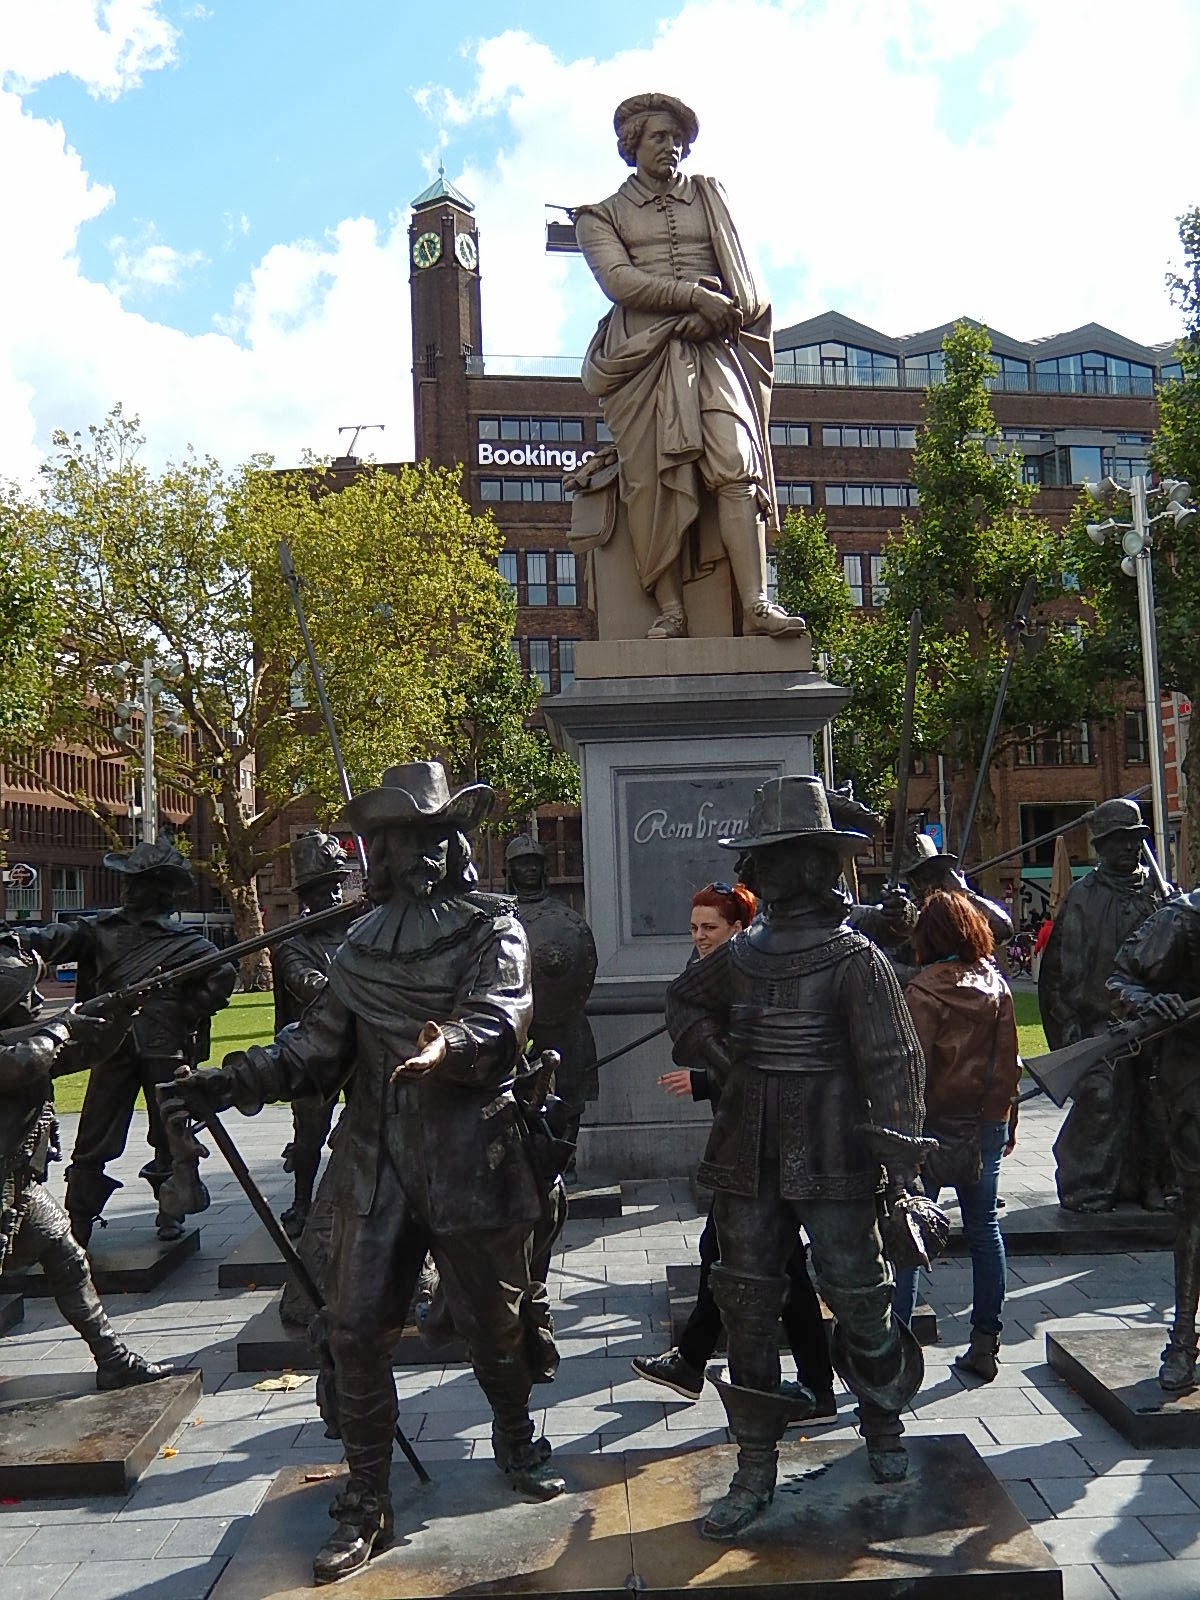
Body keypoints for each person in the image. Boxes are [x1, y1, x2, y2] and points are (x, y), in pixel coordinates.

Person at [165, 761, 560, 1585]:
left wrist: (449, 1045)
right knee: (353, 1331)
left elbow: (504, 1015)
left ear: (450, 845)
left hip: (468, 1153)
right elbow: (315, 1047)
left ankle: (516, 1435)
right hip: (374, 1161)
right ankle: (366, 1497)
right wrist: (231, 1080)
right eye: (391, 839)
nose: (409, 854)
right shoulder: (360, 946)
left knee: (494, 1322)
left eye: (423, 836)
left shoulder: (493, 929)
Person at [666, 775, 927, 1539]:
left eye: (774, 856)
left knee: (860, 1294)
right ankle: (754, 1462)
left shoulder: (856, 959)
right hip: (747, 1152)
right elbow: (684, 1004)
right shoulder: (742, 955)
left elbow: (894, 1063)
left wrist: (904, 1174)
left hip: (834, 1144)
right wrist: (725, 1056)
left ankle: (882, 1423)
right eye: (759, 856)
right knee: (746, 1305)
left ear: (813, 864)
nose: (757, 869)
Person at [573, 92, 805, 642]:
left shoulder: (709, 195)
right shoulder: (600, 216)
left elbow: (747, 280)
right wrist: (693, 299)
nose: (671, 147)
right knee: (650, 483)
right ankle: (671, 610)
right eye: (659, 137)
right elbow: (620, 282)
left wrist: (720, 312)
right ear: (632, 145)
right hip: (643, 358)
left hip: (715, 347)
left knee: (737, 462)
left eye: (678, 139)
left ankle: (756, 603)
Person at [633, 881, 836, 1418]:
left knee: (759, 1259)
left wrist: (705, 1079)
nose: (700, 937)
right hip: (742, 1141)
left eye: (711, 927)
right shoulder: (712, 973)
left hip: (772, 1143)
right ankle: (705, 1363)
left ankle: (800, 1384)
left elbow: (766, 1062)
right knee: (748, 1256)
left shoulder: (756, 977)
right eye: (694, 927)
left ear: (740, 929)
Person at [21, 840, 238, 1243]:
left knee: (169, 1132)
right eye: (127, 881)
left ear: (160, 889)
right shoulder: (99, 930)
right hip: (111, 1045)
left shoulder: (187, 943)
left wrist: (186, 1010)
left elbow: (222, 974)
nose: (127, 888)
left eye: (137, 882)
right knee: (94, 1136)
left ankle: (170, 1211)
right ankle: (78, 1221)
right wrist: (16, 941)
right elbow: (52, 938)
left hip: (165, 1047)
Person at [0, 933, 176, 1389]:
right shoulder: (20, 1048)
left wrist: (122, 1015)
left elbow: (84, 1053)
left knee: (68, 1260)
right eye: (28, 995)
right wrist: (62, 1025)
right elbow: (22, 1064)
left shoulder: (29, 1039)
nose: (39, 1000)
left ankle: (113, 1359)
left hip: (16, 1184)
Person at [891, 892, 1021, 1382]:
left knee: (909, 1233)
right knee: (984, 1229)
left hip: (928, 1127)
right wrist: (1006, 1121)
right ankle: (986, 1341)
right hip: (984, 1121)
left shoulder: (921, 992)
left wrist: (897, 1132)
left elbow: (910, 1070)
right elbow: (1009, 1064)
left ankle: (896, 1352)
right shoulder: (997, 986)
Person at [1039, 797, 1169, 1212]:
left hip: (1159, 1019)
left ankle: (1154, 1182)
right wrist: (1070, 1030)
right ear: (1101, 846)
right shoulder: (1083, 896)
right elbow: (1062, 972)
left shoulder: (1160, 893)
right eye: (1119, 840)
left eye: (1135, 839)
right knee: (1102, 1098)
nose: (1129, 847)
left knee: (1158, 1099)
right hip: (1102, 1022)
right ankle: (1087, 1185)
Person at [1107, 892, 1200, 1389]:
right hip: (1194, 1080)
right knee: (1197, 1209)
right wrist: (1149, 1001)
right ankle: (1183, 1340)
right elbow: (1120, 980)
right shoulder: (1184, 919)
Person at [273, 830, 357, 1239]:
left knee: (372, 1124)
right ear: (307, 897)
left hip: (361, 1047)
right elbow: (310, 986)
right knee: (309, 1136)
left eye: (338, 887)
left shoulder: (361, 934)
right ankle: (301, 1202)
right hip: (315, 1052)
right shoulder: (292, 944)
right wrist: (365, 985)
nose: (336, 897)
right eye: (326, 890)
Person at [504, 833, 598, 1176]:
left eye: (534, 863)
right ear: (510, 871)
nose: (529, 870)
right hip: (523, 1022)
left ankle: (565, 1159)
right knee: (523, 1093)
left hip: (565, 1019)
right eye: (522, 864)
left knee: (571, 1091)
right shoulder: (502, 917)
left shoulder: (564, 916)